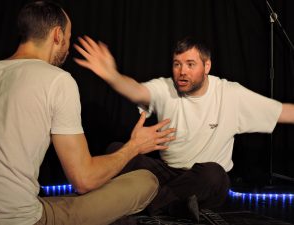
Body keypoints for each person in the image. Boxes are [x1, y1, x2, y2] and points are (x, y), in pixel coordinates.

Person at [73, 35, 294, 221]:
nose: (182, 71)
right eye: (177, 64)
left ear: (207, 66)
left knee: (216, 176)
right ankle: (172, 205)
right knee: (116, 149)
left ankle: (152, 204)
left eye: (190, 64)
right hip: (166, 174)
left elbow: (282, 112)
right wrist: (113, 76)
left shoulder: (230, 94)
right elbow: (137, 91)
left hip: (202, 178)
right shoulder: (166, 88)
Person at [0, 1, 176, 225]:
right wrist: (135, 146)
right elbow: (83, 179)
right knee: (146, 181)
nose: (68, 47)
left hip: (22, 206)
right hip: (19, 220)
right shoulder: (57, 80)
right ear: (58, 35)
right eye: (69, 37)